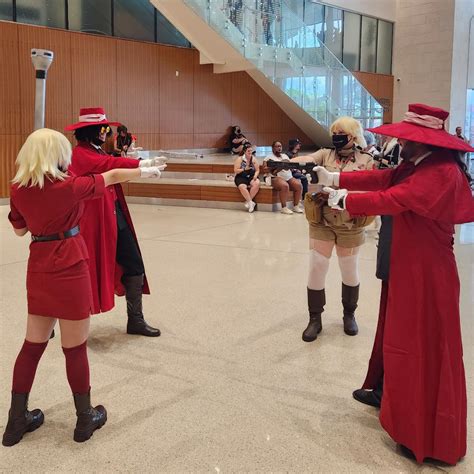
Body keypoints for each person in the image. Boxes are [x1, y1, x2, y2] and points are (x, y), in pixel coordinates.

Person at [318, 103, 474, 465]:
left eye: (407, 139)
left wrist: (342, 198)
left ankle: (425, 432)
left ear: (426, 142)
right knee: (398, 334)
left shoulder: (441, 173)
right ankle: (388, 391)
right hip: (408, 264)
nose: (400, 143)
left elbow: (394, 199)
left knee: (421, 343)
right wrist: (335, 178)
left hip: (428, 274)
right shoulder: (418, 164)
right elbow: (383, 180)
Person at [2, 128, 164, 447]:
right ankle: (84, 418)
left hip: (39, 266)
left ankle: (15, 422)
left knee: (32, 346)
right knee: (74, 349)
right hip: (71, 266)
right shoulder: (70, 186)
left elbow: (20, 231)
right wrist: (146, 168)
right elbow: (113, 174)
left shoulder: (18, 188)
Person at [66, 107, 166, 337]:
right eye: (102, 128)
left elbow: (111, 162)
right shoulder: (81, 154)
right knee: (82, 274)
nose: (106, 132)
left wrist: (142, 164)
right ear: (89, 131)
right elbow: (109, 167)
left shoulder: (96, 150)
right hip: (95, 220)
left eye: (106, 129)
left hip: (112, 215)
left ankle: (136, 320)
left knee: (133, 264)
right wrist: (142, 165)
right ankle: (56, 321)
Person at [292, 117, 374, 341]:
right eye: (334, 131)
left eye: (341, 132)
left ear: (353, 135)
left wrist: (343, 193)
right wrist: (292, 163)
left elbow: (369, 188)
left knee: (349, 268)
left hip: (350, 221)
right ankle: (315, 318)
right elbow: (307, 158)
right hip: (323, 220)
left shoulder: (366, 159)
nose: (336, 135)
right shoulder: (325, 154)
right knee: (317, 266)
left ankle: (349, 314)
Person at [264, 141, 304, 215]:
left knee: (298, 185)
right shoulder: (268, 157)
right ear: (273, 148)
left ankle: (296, 206)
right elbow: (265, 169)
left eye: (280, 146)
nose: (279, 148)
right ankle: (284, 207)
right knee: (284, 186)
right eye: (277, 146)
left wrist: (293, 168)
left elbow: (290, 168)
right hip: (274, 177)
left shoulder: (285, 156)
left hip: (288, 176)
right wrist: (277, 167)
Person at [234, 143, 260, 212]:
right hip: (241, 176)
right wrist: (244, 169)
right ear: (244, 151)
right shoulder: (240, 159)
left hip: (251, 176)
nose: (250, 152)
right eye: (248, 151)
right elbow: (236, 170)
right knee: (242, 187)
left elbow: (257, 170)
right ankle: (251, 203)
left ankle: (249, 202)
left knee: (256, 183)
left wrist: (255, 175)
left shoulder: (254, 159)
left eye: (251, 151)